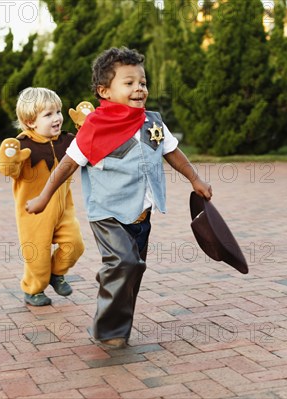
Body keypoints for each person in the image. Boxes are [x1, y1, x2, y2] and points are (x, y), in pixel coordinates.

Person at [26, 47, 212, 348]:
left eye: (143, 82)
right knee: (125, 263)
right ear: (105, 91)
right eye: (129, 83)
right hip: (108, 214)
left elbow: (172, 153)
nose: (139, 88)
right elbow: (68, 164)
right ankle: (106, 329)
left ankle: (118, 327)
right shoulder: (95, 128)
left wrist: (195, 178)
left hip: (142, 214)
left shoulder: (153, 122)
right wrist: (44, 198)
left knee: (132, 272)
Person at [0, 87, 85, 306]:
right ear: (30, 122)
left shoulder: (67, 141)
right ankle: (33, 289)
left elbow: (88, 144)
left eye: (58, 112)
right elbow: (9, 170)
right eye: (48, 114)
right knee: (37, 258)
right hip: (33, 214)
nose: (57, 118)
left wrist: (86, 123)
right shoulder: (22, 145)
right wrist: (9, 158)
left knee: (75, 245)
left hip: (64, 210)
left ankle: (57, 273)